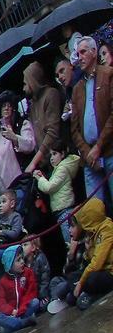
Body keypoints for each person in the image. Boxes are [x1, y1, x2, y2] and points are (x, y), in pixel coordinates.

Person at [69, 33, 113, 208]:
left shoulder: (108, 75)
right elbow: (74, 129)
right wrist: (88, 152)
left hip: (110, 150)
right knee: (95, 211)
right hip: (90, 159)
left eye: (83, 52)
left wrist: (99, 146)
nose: (79, 57)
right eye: (77, 54)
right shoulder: (77, 89)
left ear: (94, 52)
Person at [71, 198, 113, 307]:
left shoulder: (107, 230)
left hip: (109, 271)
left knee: (90, 280)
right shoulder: (93, 233)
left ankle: (89, 294)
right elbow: (89, 259)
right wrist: (88, 249)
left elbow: (97, 264)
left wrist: (81, 283)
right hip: (102, 270)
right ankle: (81, 294)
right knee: (73, 276)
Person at [0, 247, 39, 333]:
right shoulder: (3, 282)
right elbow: (0, 303)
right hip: (11, 314)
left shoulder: (28, 272)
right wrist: (11, 311)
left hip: (24, 310)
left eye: (22, 258)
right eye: (18, 260)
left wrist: (20, 310)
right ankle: (22, 323)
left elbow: (31, 293)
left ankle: (11, 327)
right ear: (9, 264)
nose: (22, 262)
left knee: (35, 302)